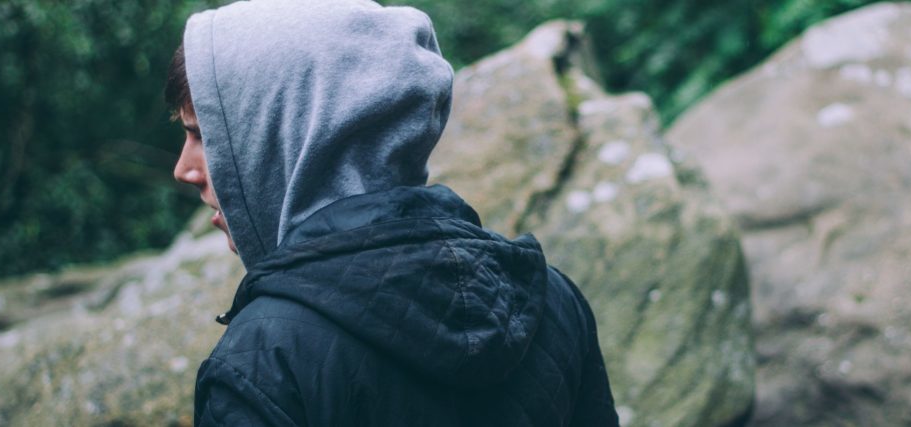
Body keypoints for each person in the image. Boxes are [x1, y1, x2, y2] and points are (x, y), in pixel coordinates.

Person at [166, 0, 619, 425]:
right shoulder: (550, 297)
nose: (184, 169)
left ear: (286, 132)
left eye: (205, 136)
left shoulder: (263, 365)